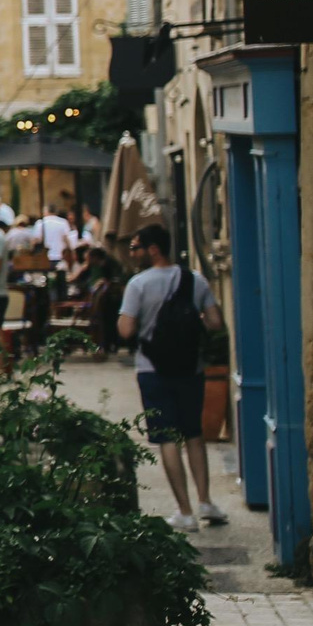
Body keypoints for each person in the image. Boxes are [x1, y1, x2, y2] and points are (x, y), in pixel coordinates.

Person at [120, 223, 230, 531]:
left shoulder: (138, 284)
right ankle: (206, 501)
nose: (132, 253)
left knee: (167, 438)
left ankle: (185, 511)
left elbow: (126, 330)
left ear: (153, 249)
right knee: (193, 434)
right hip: (190, 369)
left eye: (136, 248)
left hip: (152, 370)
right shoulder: (194, 280)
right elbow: (215, 322)